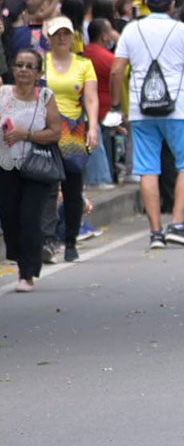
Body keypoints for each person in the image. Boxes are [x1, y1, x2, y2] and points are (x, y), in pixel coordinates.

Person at [109, 0, 184, 249]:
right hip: (178, 108)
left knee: (147, 168)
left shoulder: (131, 29)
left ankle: (155, 232)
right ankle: (177, 224)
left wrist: (117, 107)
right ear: (173, 4)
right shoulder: (182, 30)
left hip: (142, 109)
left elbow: (117, 70)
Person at [0, 49, 64, 292]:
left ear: (39, 73)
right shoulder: (3, 93)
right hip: (6, 165)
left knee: (29, 218)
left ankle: (27, 273)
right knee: (9, 219)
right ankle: (20, 258)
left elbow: (55, 132)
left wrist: (25, 135)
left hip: (36, 167)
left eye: (29, 66)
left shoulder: (45, 96)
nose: (23, 70)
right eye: (19, 65)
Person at [41, 15, 99, 263]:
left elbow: (91, 98)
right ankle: (47, 239)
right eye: (57, 34)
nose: (62, 38)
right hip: (47, 127)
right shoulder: (42, 63)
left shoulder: (83, 64)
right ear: (50, 38)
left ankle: (71, 240)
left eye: (66, 33)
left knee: (73, 188)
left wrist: (92, 127)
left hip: (74, 129)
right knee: (47, 187)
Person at [82, 18, 118, 188]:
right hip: (105, 109)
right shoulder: (109, 58)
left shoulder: (84, 54)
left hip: (92, 107)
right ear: (104, 36)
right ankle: (100, 177)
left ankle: (101, 175)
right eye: (110, 31)